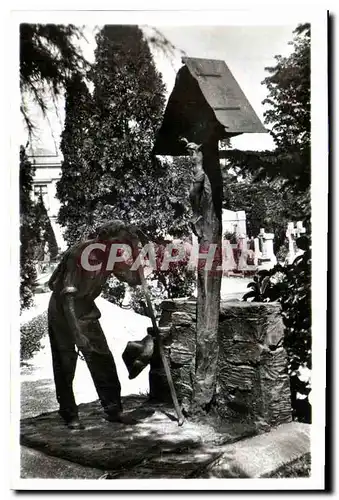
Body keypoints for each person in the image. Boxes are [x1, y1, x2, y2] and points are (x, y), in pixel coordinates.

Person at [47, 220, 145, 429]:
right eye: (118, 242)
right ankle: (68, 411)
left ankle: (113, 409)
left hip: (86, 309)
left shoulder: (112, 255)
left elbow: (132, 279)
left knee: (102, 359)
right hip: (63, 308)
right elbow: (67, 297)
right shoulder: (79, 254)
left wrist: (135, 252)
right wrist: (78, 334)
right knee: (65, 362)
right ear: (103, 240)